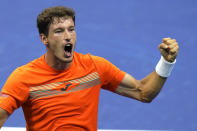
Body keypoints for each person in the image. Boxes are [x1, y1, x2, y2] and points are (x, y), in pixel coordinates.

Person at [0, 6, 179, 131]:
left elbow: (143, 92)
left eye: (71, 29)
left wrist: (166, 63)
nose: (68, 37)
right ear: (44, 39)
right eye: (59, 31)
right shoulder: (24, 77)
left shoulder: (95, 68)